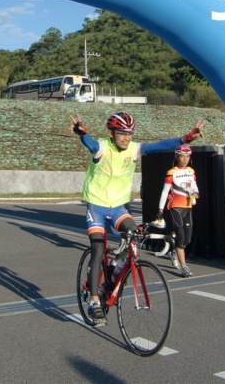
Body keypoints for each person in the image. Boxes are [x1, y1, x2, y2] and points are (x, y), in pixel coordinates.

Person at [70, 112, 205, 324]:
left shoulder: (134, 149)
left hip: (117, 207)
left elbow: (159, 145)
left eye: (130, 133)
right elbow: (91, 145)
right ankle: (95, 300)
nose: (126, 138)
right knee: (97, 246)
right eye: (122, 133)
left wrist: (186, 138)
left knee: (134, 236)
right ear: (112, 133)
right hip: (96, 204)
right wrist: (82, 133)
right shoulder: (103, 147)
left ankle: (114, 266)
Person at [153, 144, 200, 277]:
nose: (185, 159)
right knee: (180, 236)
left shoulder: (191, 171)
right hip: (175, 207)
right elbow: (164, 191)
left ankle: (173, 252)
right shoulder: (171, 172)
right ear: (177, 157)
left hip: (188, 207)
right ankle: (184, 266)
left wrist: (196, 193)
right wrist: (160, 210)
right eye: (182, 156)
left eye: (187, 156)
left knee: (187, 240)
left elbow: (195, 187)